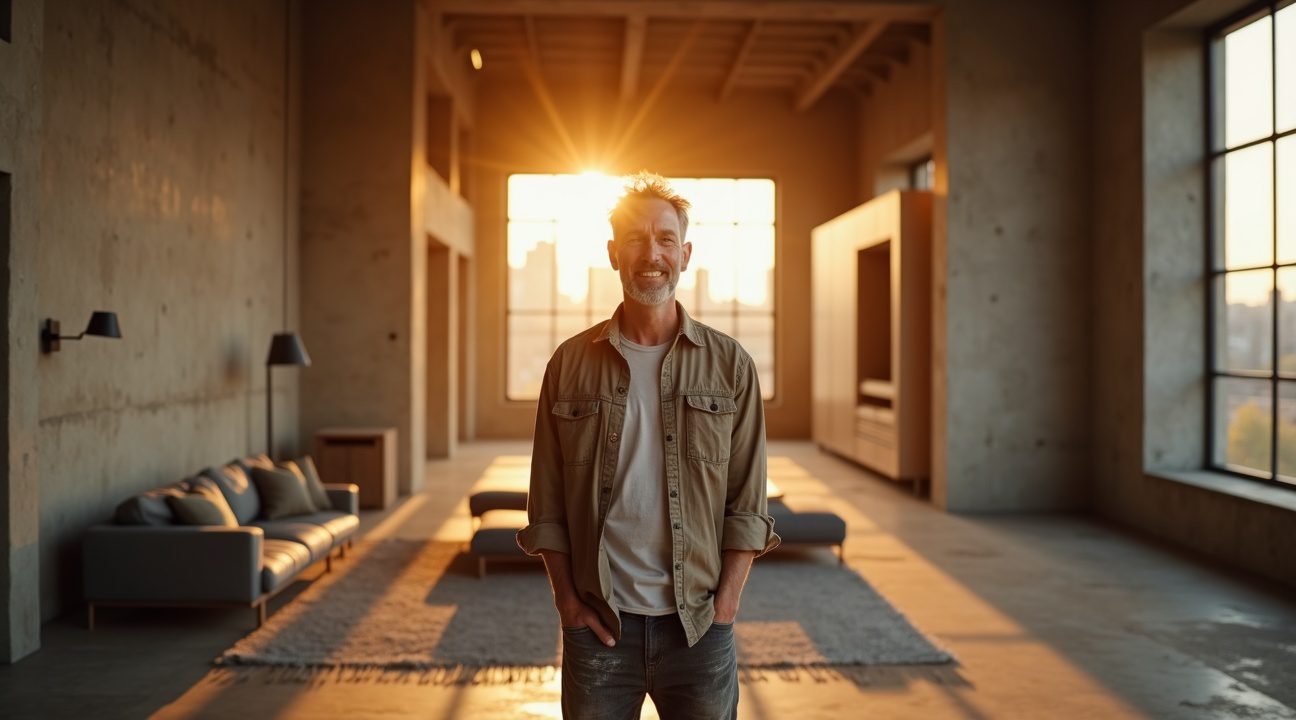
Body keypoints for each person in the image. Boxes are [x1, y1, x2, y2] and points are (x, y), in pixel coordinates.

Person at [517, 171, 780, 719]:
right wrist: (566, 601)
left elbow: (747, 503)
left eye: (664, 238)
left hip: (699, 627)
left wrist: (726, 606)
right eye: (635, 238)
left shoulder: (730, 366)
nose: (651, 252)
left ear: (685, 253)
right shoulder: (568, 365)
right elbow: (546, 503)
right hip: (598, 625)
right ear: (614, 253)